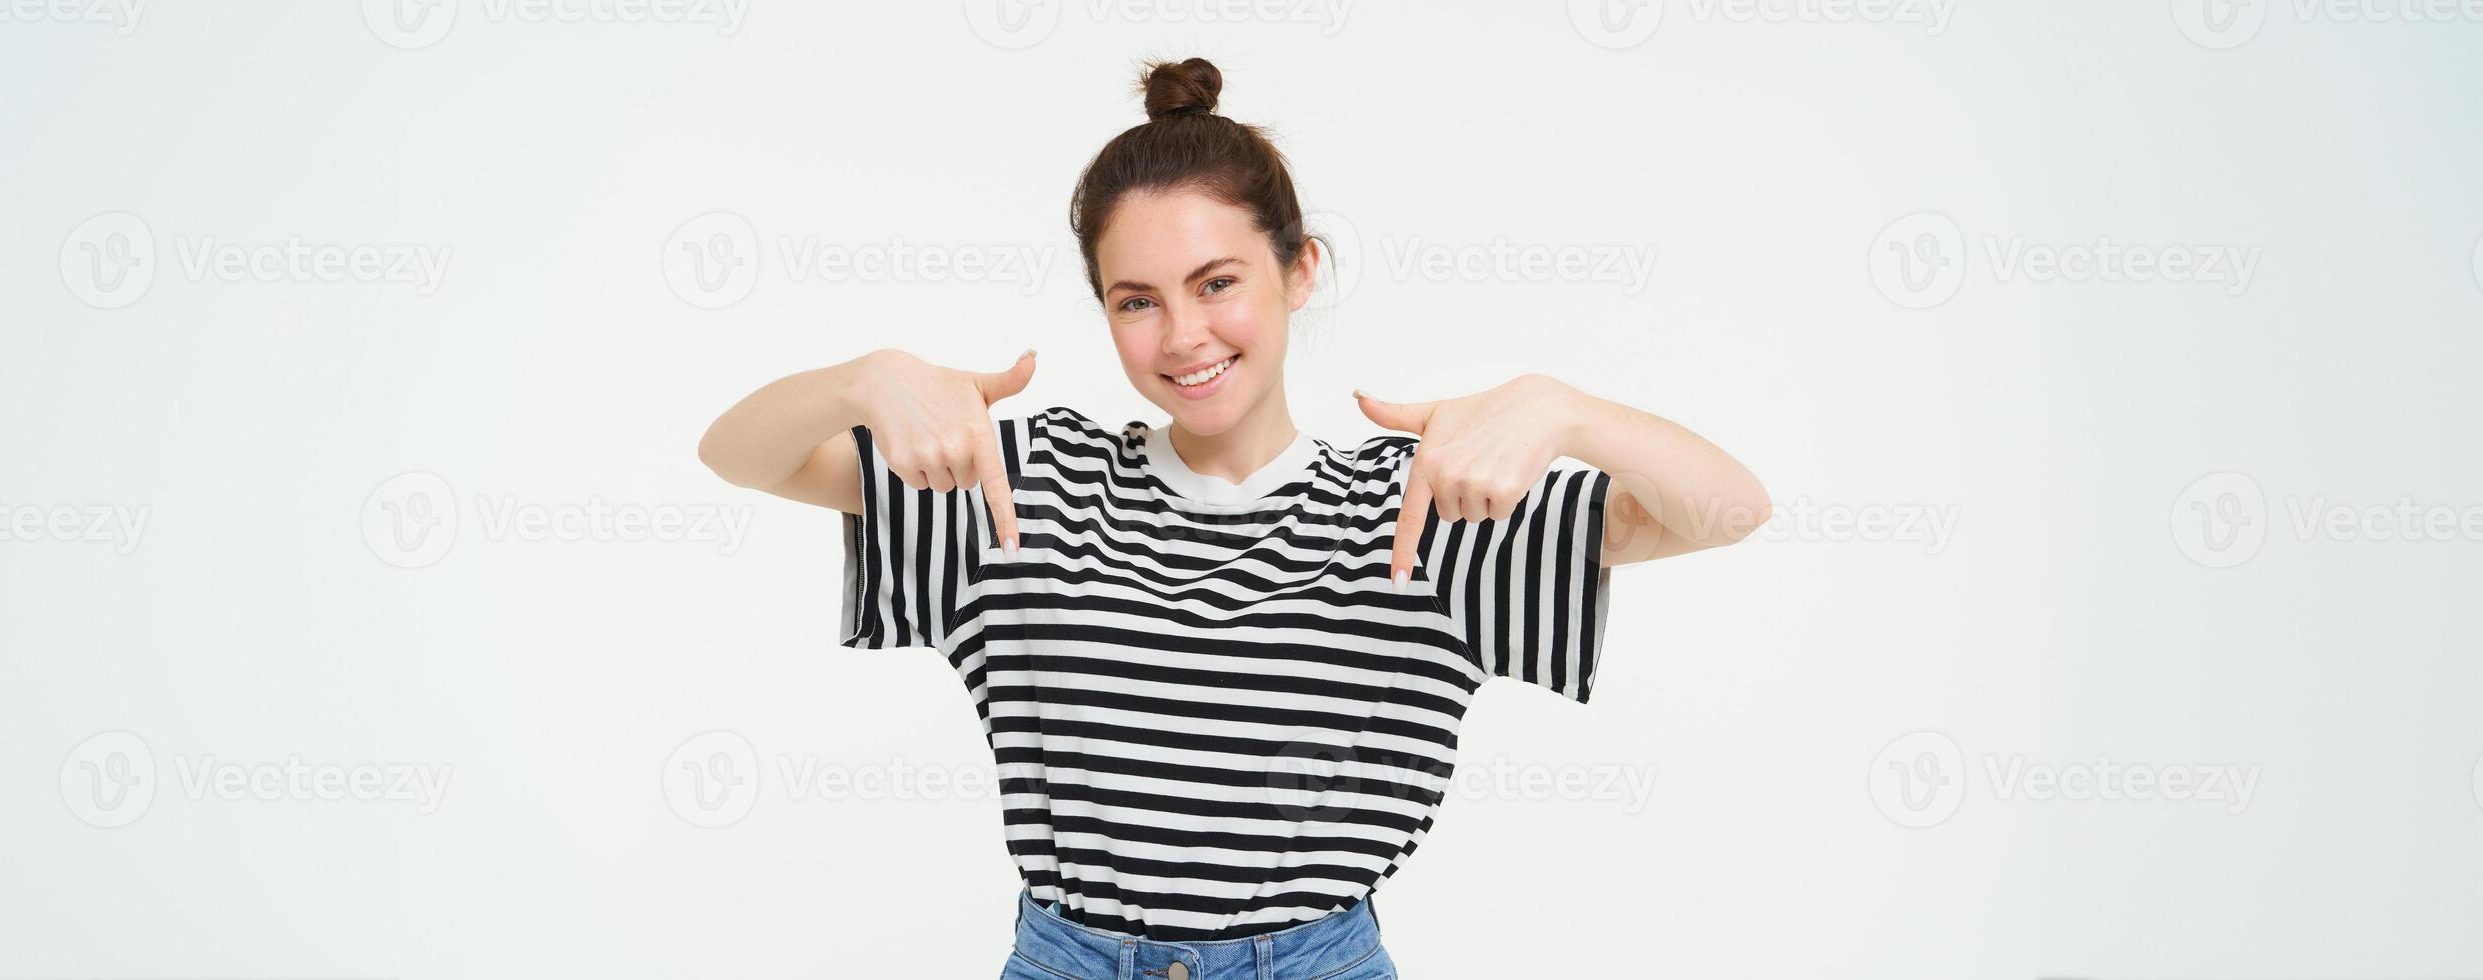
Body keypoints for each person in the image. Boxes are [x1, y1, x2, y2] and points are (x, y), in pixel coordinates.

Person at [698, 57, 1768, 980]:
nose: (1182, 335)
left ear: (1299, 270)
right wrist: (861, 379)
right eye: (1136, 299)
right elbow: (739, 454)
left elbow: (1726, 508)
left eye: (1217, 282)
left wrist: (1560, 406)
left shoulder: (1424, 502)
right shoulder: (1019, 483)